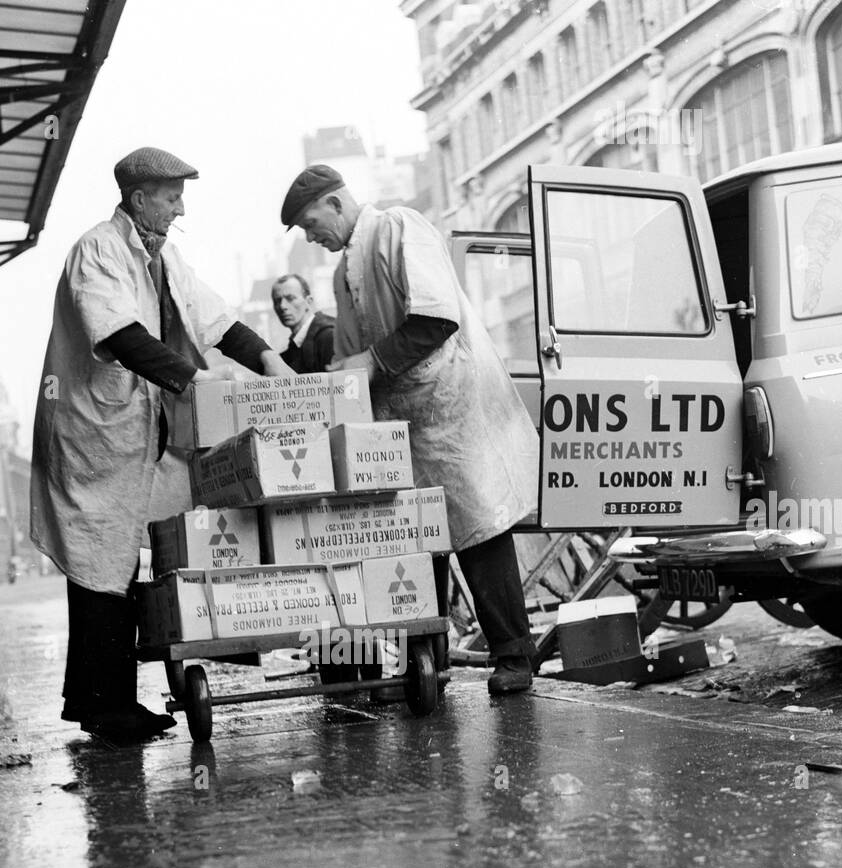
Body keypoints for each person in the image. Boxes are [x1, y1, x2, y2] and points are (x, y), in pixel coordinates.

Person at [31, 146, 293, 745]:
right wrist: (195, 379)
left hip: (132, 435)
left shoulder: (164, 257)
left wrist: (274, 365)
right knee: (103, 561)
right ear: (139, 197)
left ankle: (100, 701)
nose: (180, 206)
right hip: (90, 434)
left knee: (118, 561)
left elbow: (216, 320)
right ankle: (108, 708)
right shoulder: (97, 250)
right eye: (171, 195)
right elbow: (119, 333)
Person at [279, 165, 538, 694]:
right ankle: (428, 666)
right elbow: (350, 362)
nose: (312, 237)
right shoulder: (339, 274)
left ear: (335, 203)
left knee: (478, 530)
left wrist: (369, 364)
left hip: (449, 404)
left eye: (311, 223)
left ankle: (515, 657)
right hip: (400, 422)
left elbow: (437, 318)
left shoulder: (400, 227)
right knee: (414, 540)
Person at [271, 273, 335, 373]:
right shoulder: (295, 344)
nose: (283, 306)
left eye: (290, 298)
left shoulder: (328, 336)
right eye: (277, 301)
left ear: (309, 302)